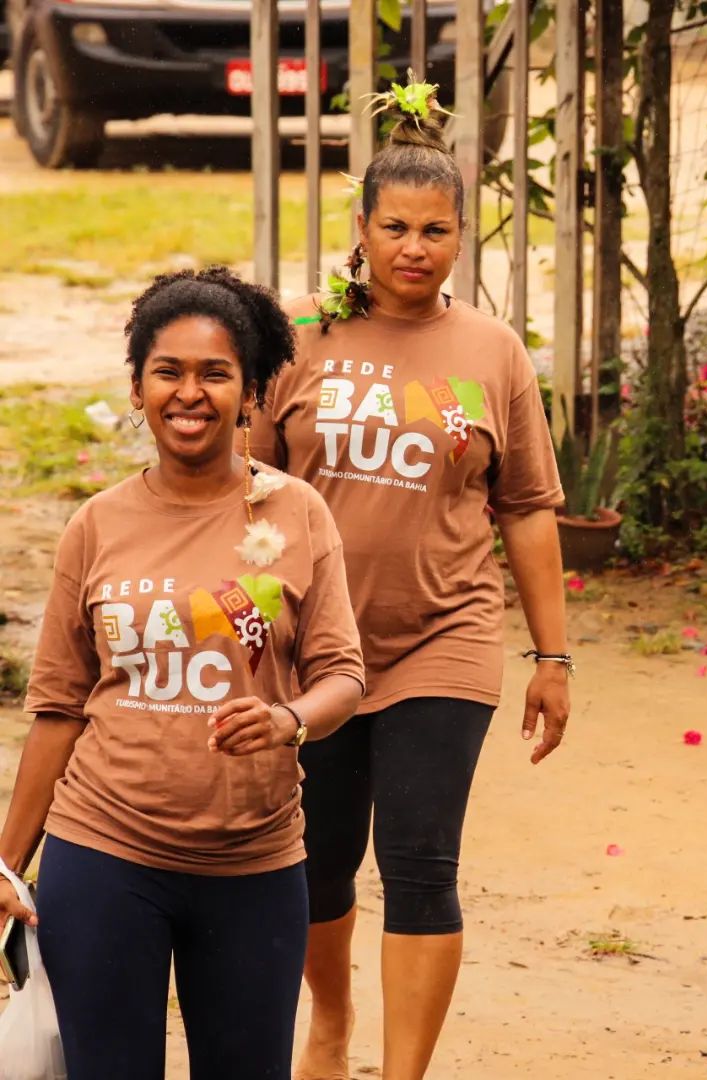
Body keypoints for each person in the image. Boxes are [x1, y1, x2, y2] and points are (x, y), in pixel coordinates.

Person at [247, 81, 571, 1080]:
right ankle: (333, 1025)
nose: (415, 247)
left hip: (448, 635)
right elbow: (242, 495)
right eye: (396, 226)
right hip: (312, 648)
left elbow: (523, 506)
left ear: (462, 237)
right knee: (320, 858)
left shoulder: (491, 351)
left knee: (422, 860)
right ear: (362, 226)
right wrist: (252, 634)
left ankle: (406, 1072)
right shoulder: (298, 338)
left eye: (437, 230)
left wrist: (552, 656)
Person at [0, 267, 367, 1078]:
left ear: (250, 392)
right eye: (168, 372)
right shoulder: (94, 527)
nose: (189, 394)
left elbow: (344, 673)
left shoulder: (299, 513)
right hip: (102, 855)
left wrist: (290, 719)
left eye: (215, 374)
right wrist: (4, 862)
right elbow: (59, 708)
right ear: (137, 388)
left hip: (255, 867)